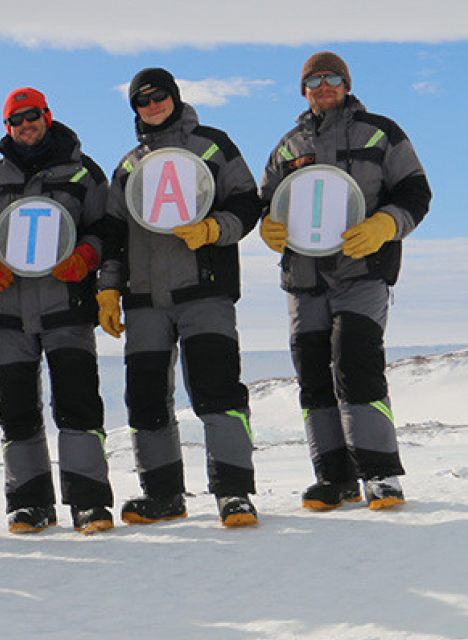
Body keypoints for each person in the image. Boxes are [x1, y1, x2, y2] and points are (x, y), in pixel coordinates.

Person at [258, 51, 431, 511]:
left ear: (347, 83)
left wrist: (384, 227)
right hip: (303, 278)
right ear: (303, 89)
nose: (324, 85)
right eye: (314, 80)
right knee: (314, 376)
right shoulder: (288, 146)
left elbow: (416, 192)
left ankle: (381, 476)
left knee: (356, 364)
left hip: (363, 272)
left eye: (332, 77)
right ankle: (334, 478)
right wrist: (267, 226)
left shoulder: (382, 132)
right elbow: (267, 201)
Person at [98, 68, 262, 528]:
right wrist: (108, 288)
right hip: (145, 298)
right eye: (142, 101)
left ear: (174, 96)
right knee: (146, 398)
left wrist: (216, 229)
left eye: (158, 97)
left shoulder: (213, 145)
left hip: (204, 290)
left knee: (217, 392)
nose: (152, 106)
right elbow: (113, 234)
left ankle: (235, 493)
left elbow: (248, 203)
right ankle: (164, 495)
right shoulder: (129, 165)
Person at [0, 89, 114, 535]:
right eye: (16, 120)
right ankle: (29, 503)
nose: (25, 125)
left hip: (66, 306)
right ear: (7, 127)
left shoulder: (84, 171)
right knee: (16, 410)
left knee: (77, 404)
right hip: (8, 310)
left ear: (48, 116)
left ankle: (89, 502)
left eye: (32, 116)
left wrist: (88, 258)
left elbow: (106, 228)